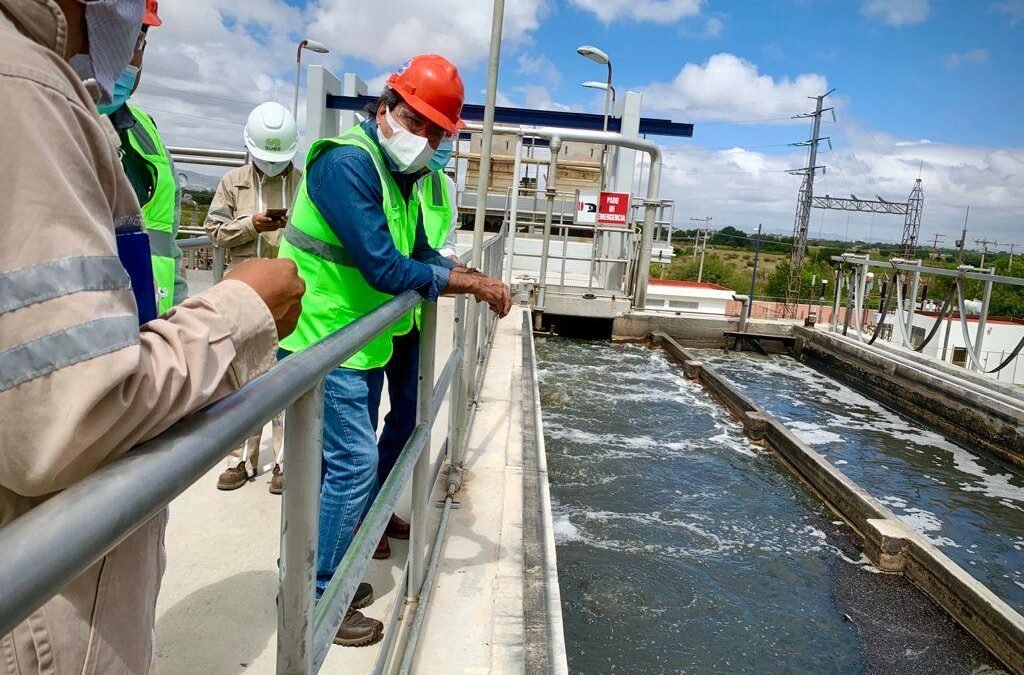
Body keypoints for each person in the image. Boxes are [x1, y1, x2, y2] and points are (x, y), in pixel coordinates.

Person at [0, 1, 305, 674]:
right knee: (247, 402)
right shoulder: (28, 92)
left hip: (155, 329)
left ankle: (271, 458)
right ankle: (248, 457)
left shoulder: (108, 121)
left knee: (268, 397)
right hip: (47, 608)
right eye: (139, 23)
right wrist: (243, 301)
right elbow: (66, 411)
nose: (139, 44)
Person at [277, 54, 512, 647]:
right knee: (353, 469)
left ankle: (318, 577)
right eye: (416, 122)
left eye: (437, 132)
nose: (425, 139)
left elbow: (417, 251)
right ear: (384, 110)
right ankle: (316, 594)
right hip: (320, 338)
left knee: (338, 471)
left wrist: (470, 272)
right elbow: (384, 266)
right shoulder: (348, 166)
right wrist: (473, 285)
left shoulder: (396, 175)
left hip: (351, 343)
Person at [205, 101, 303, 493]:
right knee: (240, 380)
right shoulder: (233, 182)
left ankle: (282, 463)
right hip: (242, 294)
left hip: (286, 296)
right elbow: (215, 231)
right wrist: (251, 225)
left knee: (280, 377)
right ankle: (239, 461)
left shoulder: (303, 182)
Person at [373, 159, 460, 560]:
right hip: (365, 318)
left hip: (409, 316)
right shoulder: (367, 167)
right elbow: (384, 260)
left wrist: (461, 271)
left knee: (408, 417)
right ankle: (361, 522)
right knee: (354, 442)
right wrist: (455, 278)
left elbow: (429, 247)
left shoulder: (439, 184)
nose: (431, 143)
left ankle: (380, 506)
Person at [100, 0, 186, 315]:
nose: (128, 54)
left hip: (155, 342)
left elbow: (170, 252)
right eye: (115, 32)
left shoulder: (147, 135)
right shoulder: (31, 122)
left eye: (138, 40)